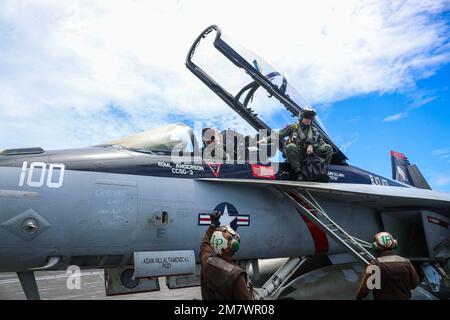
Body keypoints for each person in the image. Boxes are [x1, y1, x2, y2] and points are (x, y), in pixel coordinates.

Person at [199, 211, 252, 300]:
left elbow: (205, 245)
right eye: (231, 238)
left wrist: (213, 224)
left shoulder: (206, 261)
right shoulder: (236, 275)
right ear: (232, 246)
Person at [356, 232, 420, 300]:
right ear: (394, 243)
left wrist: (359, 297)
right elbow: (414, 284)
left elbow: (365, 289)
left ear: (375, 245)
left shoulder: (375, 264)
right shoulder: (406, 262)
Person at [277, 108, 333, 180]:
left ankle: (322, 170)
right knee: (291, 146)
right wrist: (265, 140)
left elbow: (321, 143)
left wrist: (311, 145)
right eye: (306, 117)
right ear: (301, 117)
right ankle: (298, 173)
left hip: (310, 156)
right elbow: (278, 135)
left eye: (310, 118)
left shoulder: (314, 131)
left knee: (328, 147)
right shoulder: (292, 127)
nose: (308, 119)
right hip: (297, 156)